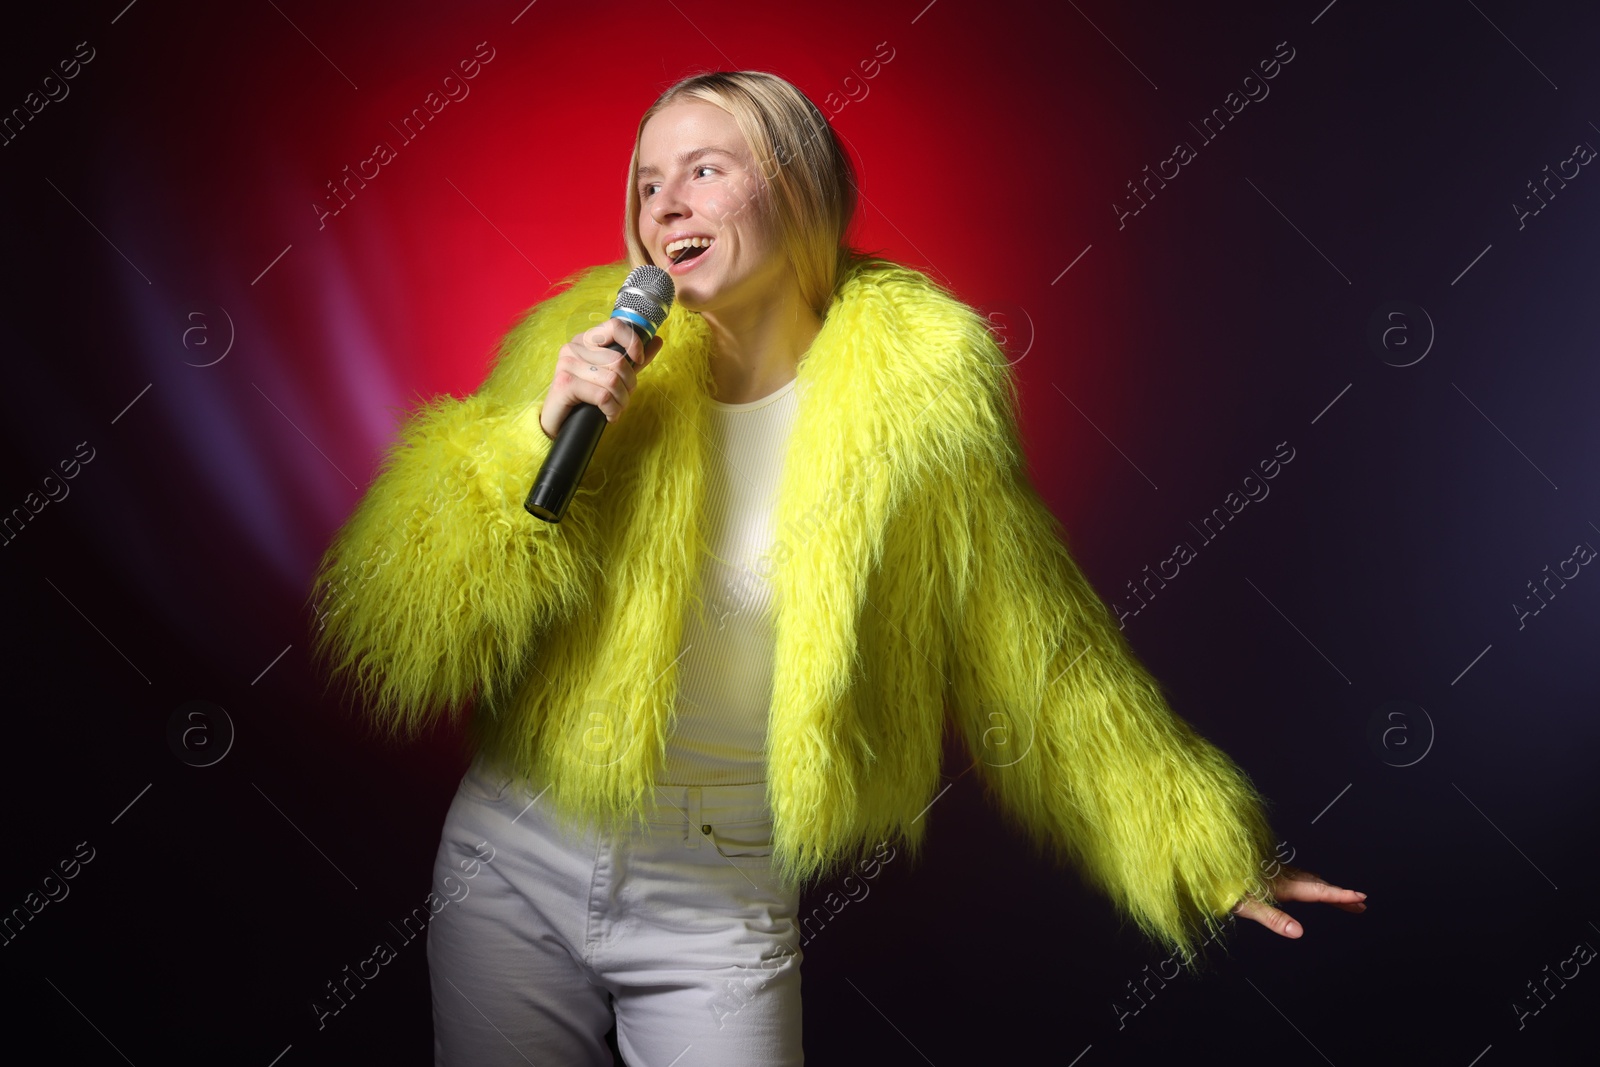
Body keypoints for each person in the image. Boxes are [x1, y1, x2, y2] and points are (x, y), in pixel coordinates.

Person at [308, 70, 1365, 1066]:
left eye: (704, 168)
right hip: (514, 856)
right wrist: (531, 440)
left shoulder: (918, 406)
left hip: (718, 893)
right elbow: (410, 612)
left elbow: (1039, 655)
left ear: (800, 185)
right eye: (645, 181)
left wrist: (1198, 843)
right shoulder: (579, 348)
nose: (664, 203)